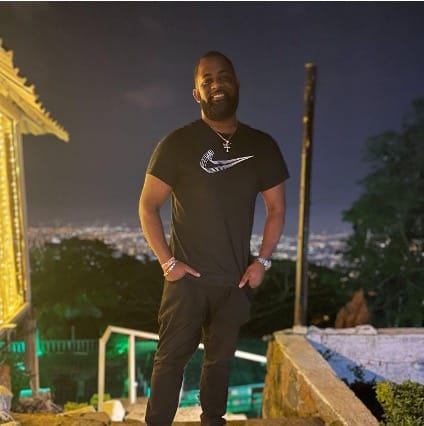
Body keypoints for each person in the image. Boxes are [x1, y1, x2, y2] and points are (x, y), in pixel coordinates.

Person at [139, 50, 289, 426]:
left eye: (223, 77)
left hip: (234, 280)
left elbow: (276, 208)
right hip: (186, 280)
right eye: (206, 80)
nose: (216, 84)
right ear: (196, 93)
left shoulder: (262, 145)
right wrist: (168, 262)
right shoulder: (177, 143)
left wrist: (263, 261)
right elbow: (147, 206)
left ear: (236, 84)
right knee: (170, 360)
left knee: (220, 363)